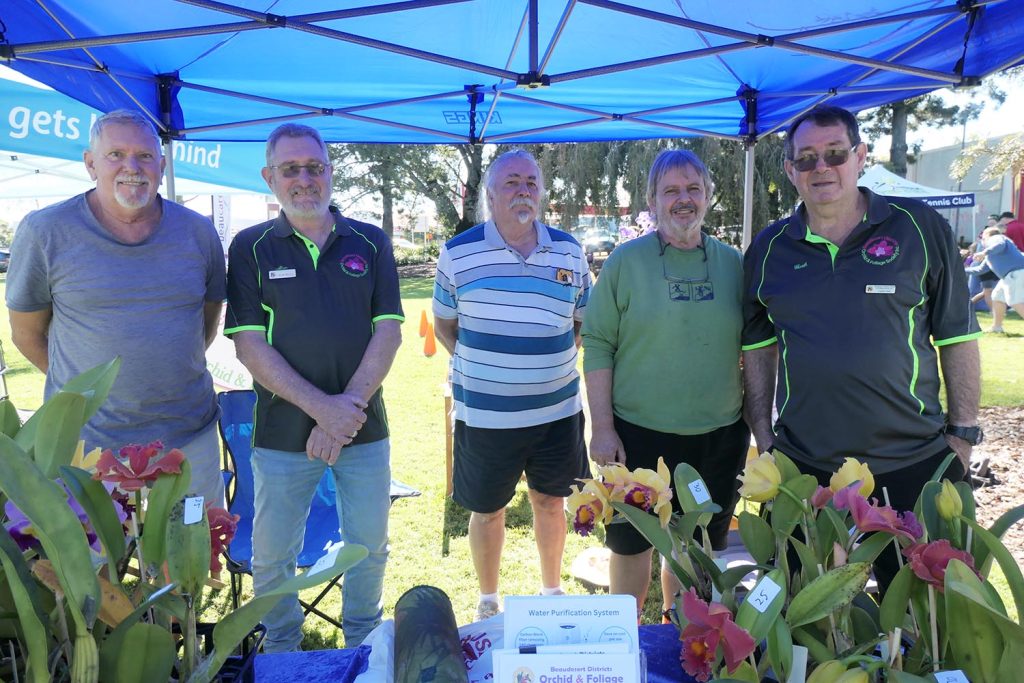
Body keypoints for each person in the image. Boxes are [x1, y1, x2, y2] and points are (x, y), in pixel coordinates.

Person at [742, 105, 982, 587]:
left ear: (860, 156)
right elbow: (759, 348)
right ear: (790, 170)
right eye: (806, 159)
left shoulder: (917, 228)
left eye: (835, 153)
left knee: (921, 615)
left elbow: (957, 335)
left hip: (913, 461)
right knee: (803, 607)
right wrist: (765, 436)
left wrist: (962, 434)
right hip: (807, 466)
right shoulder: (769, 249)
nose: (821, 168)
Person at [224, 123, 403, 650]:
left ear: (330, 171)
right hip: (281, 433)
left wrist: (343, 414)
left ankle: (363, 644)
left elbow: (388, 332)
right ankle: (281, 649)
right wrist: (325, 411)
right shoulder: (251, 247)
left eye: (315, 167)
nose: (304, 179)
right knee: (273, 552)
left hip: (364, 429)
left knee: (369, 545)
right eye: (290, 169)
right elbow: (249, 346)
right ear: (269, 177)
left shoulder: (370, 241)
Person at [6, 109, 226, 506]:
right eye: (115, 155)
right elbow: (27, 334)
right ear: (90, 164)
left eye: (145, 156)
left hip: (188, 439)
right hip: (87, 445)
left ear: (161, 164)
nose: (132, 167)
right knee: (95, 565)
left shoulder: (198, 232)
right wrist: (89, 396)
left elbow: (205, 324)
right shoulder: (45, 231)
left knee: (191, 560)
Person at [581, 149, 749, 622]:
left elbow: (756, 348)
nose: (683, 200)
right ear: (652, 200)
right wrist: (603, 428)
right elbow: (596, 343)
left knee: (696, 547)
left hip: (717, 438)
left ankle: (681, 630)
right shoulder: (624, 263)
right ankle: (623, 635)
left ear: (709, 198)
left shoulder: (733, 265)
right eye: (671, 190)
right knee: (632, 543)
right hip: (637, 435)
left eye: (693, 189)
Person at [432, 149, 591, 621]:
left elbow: (582, 323)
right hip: (486, 417)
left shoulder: (569, 250)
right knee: (488, 510)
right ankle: (488, 601)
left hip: (557, 414)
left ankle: (551, 593)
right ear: (490, 194)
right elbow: (445, 327)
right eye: (512, 183)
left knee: (551, 501)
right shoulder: (458, 252)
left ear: (541, 192)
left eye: (531, 183)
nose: (524, 191)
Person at [966, 226, 1024, 333]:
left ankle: (997, 327)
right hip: (1010, 275)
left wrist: (984, 252)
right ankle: (997, 327)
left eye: (982, 238)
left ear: (987, 236)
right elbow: (980, 270)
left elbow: (999, 245)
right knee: (997, 297)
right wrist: (963, 270)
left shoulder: (996, 238)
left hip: (1016, 272)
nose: (981, 241)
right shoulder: (990, 255)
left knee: (1015, 301)